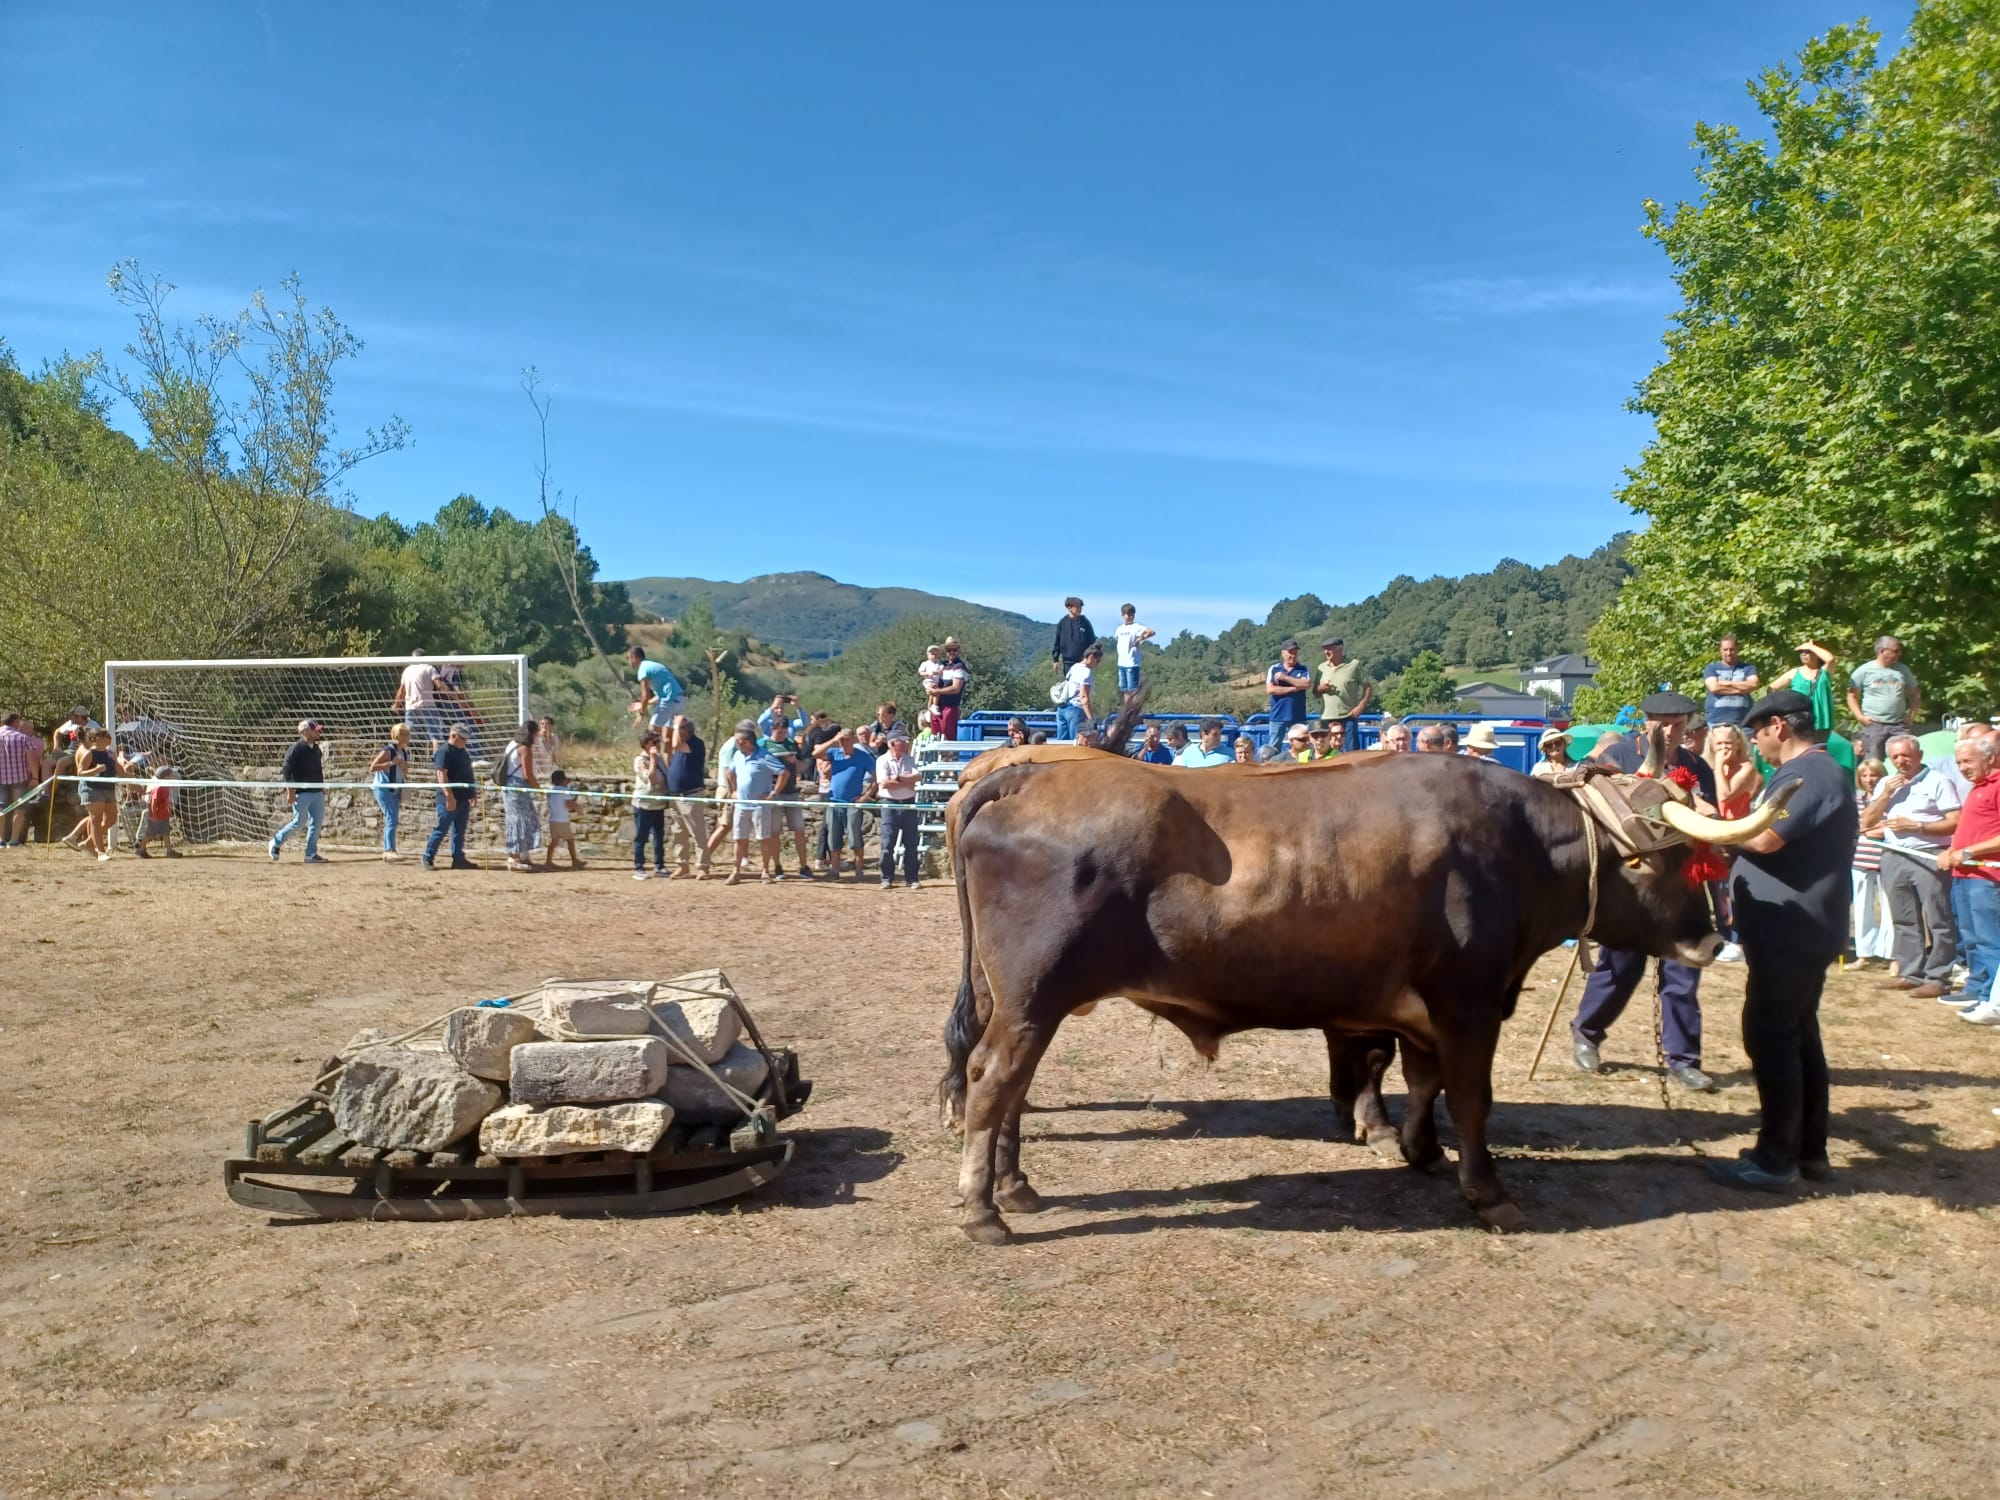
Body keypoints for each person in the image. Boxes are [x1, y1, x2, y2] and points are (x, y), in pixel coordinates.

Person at [1708, 689, 1858, 1190]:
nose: (1756, 742)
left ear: (1779, 726)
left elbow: (1766, 837)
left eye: (1757, 732)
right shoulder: (1806, 773)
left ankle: (1775, 1160)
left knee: (1771, 1035)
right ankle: (1808, 1152)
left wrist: (1711, 828)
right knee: (1799, 1037)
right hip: (1796, 928)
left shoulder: (1809, 775)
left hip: (1792, 930)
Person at [1574, 691, 1720, 1092]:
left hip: (1682, 884)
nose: (1668, 731)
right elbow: (1588, 798)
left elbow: (1708, 821)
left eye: (1676, 724)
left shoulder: (1696, 765)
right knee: (1621, 968)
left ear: (1689, 723)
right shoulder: (1619, 754)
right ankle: (1587, 1032)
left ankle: (1684, 1059)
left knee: (1684, 971)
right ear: (1646, 723)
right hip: (1635, 885)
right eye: (1659, 723)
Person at [1865, 732, 1963, 997]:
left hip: (1928, 853)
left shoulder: (1938, 781)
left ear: (1919, 755)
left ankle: (1938, 977)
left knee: (1938, 918)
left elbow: (1955, 820)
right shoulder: (1887, 782)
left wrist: (1917, 826)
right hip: (1893, 855)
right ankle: (1910, 972)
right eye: (1895, 756)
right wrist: (1885, 794)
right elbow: (1867, 821)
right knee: (1903, 917)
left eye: (1906, 755)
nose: (1900, 761)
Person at [1938, 734, 2000, 1025]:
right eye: (1959, 762)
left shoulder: (1998, 785)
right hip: (1963, 874)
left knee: (1989, 939)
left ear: (1989, 758)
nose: (1962, 767)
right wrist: (1951, 851)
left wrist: (1967, 851)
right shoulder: (1976, 789)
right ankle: (1976, 988)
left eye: (1968, 760)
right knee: (1971, 938)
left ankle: (1992, 997)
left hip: (1987, 876)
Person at [1705, 722, 1763, 962]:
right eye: (1719, 744)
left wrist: (1719, 766)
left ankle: (1737, 940)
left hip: (1736, 835)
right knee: (1716, 889)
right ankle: (1723, 934)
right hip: (1712, 833)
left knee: (1732, 889)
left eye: (1728, 743)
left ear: (1739, 743)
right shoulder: (1706, 766)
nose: (1724, 748)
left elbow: (1725, 794)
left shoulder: (1747, 768)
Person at [722, 719, 789, 885]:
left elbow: (784, 772)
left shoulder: (764, 755)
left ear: (748, 742)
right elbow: (729, 772)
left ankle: (765, 871)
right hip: (741, 805)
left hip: (760, 806)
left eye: (739, 741)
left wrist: (773, 793)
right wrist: (733, 792)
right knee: (739, 838)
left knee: (763, 838)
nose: (736, 744)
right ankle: (735, 871)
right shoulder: (737, 755)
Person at [1848, 758, 1895, 968]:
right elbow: (1855, 827)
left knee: (1891, 909)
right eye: (1865, 776)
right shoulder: (1855, 800)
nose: (1869, 780)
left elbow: (1890, 827)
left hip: (1887, 857)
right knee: (1862, 908)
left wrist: (1871, 829)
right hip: (1860, 859)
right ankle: (1864, 954)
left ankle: (1892, 955)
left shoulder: (1892, 798)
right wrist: (1869, 828)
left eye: (1873, 775)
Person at [760, 714, 817, 879]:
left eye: (784, 732)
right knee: (774, 832)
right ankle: (777, 866)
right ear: (772, 729)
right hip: (772, 792)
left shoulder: (791, 743)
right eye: (779, 732)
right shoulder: (763, 744)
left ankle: (804, 866)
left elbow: (802, 765)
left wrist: (796, 763)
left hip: (791, 791)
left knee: (799, 830)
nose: (782, 735)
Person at [1847, 636, 1921, 762]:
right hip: (1874, 725)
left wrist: (1910, 717)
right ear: (1882, 651)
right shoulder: (1864, 671)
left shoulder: (1903, 670)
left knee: (1905, 760)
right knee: (1873, 762)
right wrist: (1860, 717)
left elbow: (1915, 694)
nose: (1899, 654)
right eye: (1896, 651)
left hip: (1899, 726)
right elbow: (1852, 696)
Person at [817, 726, 876, 879]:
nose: (844, 743)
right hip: (834, 801)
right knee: (833, 836)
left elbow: (876, 776)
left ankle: (858, 870)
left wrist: (866, 795)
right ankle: (835, 869)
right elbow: (815, 753)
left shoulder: (863, 756)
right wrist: (834, 740)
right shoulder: (834, 753)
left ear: (854, 740)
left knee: (855, 836)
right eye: (842, 740)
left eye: (847, 739)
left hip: (852, 802)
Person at [269, 720, 329, 865]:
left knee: (316, 823)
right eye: (315, 730)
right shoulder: (296, 749)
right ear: (306, 732)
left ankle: (311, 854)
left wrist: (321, 789)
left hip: (317, 792)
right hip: (301, 793)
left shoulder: (316, 749)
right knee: (298, 822)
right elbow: (287, 771)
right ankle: (275, 842)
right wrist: (290, 791)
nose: (318, 732)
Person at [423, 724, 479, 871]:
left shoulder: (464, 753)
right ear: (453, 736)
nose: (465, 742)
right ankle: (428, 857)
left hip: (463, 798)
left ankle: (458, 858)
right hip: (448, 799)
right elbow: (441, 774)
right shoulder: (444, 751)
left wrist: (472, 793)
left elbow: (468, 774)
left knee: (459, 831)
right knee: (441, 828)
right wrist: (449, 796)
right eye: (463, 738)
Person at [661, 714, 707, 878]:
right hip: (676, 796)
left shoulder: (695, 744)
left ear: (687, 731)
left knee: (697, 832)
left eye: (679, 729)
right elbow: (668, 747)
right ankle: (682, 864)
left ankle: (703, 866)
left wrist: (678, 723)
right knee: (678, 832)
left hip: (691, 795)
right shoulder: (680, 747)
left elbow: (675, 743)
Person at [875, 728, 921, 889]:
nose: (906, 744)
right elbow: (885, 783)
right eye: (903, 741)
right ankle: (886, 877)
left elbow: (917, 777)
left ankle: (912, 878)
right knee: (888, 843)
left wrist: (898, 778)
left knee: (911, 843)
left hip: (908, 802)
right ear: (893, 743)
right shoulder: (882, 760)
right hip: (890, 803)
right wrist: (906, 781)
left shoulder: (909, 759)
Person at [496, 721, 542, 874]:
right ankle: (513, 857)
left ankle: (522, 854)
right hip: (517, 787)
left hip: (509, 786)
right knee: (518, 821)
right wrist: (539, 789)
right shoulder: (524, 749)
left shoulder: (512, 744)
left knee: (521, 819)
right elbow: (528, 774)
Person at [74, 729, 123, 861]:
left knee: (111, 819)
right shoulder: (90, 753)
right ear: (97, 738)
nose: (110, 738)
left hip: (108, 789)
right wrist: (96, 770)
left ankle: (89, 843)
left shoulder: (111, 754)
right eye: (106, 736)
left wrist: (137, 778)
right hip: (92, 789)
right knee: (96, 819)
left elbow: (121, 772)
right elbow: (80, 772)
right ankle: (100, 852)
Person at [367, 723, 411, 862]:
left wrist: (404, 767)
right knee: (391, 817)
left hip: (396, 788)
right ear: (397, 735)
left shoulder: (404, 752)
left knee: (393, 818)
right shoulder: (388, 750)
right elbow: (373, 767)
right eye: (404, 734)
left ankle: (391, 848)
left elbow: (405, 771)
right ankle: (388, 850)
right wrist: (391, 763)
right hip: (383, 787)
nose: (407, 737)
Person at [1770, 641, 1838, 731]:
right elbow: (1772, 688)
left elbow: (1830, 659)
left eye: (1807, 652)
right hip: (1800, 722)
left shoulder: (1824, 672)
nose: (1803, 654)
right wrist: (1780, 708)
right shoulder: (1794, 672)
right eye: (1801, 652)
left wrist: (1811, 647)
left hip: (1822, 724)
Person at [1314, 639, 1373, 743]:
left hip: (1348, 717)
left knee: (1350, 754)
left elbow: (1368, 686)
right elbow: (1315, 693)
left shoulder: (1354, 665)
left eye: (1330, 649)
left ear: (1340, 649)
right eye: (1325, 649)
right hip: (1327, 717)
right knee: (1328, 754)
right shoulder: (1321, 668)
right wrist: (1321, 688)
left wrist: (1361, 706)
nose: (1326, 652)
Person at [631, 729, 670, 880]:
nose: (657, 745)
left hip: (658, 804)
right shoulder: (639, 761)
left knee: (659, 837)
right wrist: (653, 758)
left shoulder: (660, 759)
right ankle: (638, 866)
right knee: (642, 836)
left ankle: (660, 865)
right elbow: (651, 779)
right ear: (646, 744)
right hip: (644, 805)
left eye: (658, 742)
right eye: (654, 742)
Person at [0, 711, 43, 847]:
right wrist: (35, 777)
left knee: (1, 810)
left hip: (1, 779)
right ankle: (13, 840)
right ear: (15, 722)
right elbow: (32, 759)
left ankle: (1, 840)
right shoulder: (22, 737)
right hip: (20, 778)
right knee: (20, 810)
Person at [1701, 635, 1761, 728]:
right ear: (1720, 650)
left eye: (1731, 649)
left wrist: (1725, 683)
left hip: (1743, 723)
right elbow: (1714, 687)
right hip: (1716, 722)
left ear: (1737, 649)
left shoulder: (1748, 668)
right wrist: (1742, 689)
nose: (1728, 653)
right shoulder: (1711, 668)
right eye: (1725, 649)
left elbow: (1754, 684)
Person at [390, 652, 443, 749]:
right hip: (428, 706)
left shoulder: (407, 670)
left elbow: (401, 690)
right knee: (435, 736)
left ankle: (404, 759)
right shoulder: (429, 668)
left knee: (406, 735)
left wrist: (396, 705)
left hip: (411, 707)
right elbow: (439, 685)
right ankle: (437, 761)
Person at [627, 645, 687, 730]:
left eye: (628, 658)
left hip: (670, 700)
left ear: (633, 657)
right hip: (679, 699)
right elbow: (660, 695)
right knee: (668, 735)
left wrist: (641, 715)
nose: (628, 661)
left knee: (652, 730)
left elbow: (645, 696)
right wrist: (643, 704)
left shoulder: (643, 669)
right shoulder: (651, 665)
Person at [1265, 639, 1312, 746]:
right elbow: (1270, 690)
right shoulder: (1274, 669)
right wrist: (1294, 688)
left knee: (1301, 746)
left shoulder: (1303, 669)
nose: (1293, 656)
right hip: (1278, 716)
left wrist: (1285, 678)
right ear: (1283, 653)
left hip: (1298, 716)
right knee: (1273, 746)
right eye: (1290, 652)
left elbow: (1306, 684)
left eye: (1295, 653)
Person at [134, 755, 180, 859]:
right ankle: (141, 849)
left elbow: (164, 800)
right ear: (166, 776)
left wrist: (168, 808)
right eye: (170, 774)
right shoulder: (159, 787)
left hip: (163, 814)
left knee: (166, 833)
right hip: (158, 815)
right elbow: (154, 801)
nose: (173, 775)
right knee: (150, 833)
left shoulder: (165, 787)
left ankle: (169, 851)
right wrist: (154, 814)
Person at [1056, 645, 1099, 742]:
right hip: (1076, 709)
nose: (1097, 665)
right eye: (1098, 661)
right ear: (1091, 658)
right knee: (1076, 744)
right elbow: (1084, 697)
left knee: (1061, 744)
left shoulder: (1074, 667)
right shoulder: (1086, 672)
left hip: (1062, 708)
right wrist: (1091, 718)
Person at [543, 769, 584, 869]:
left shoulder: (551, 791)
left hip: (553, 820)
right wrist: (577, 807)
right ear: (563, 780)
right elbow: (568, 804)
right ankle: (574, 860)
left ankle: (548, 861)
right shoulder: (564, 790)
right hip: (562, 820)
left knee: (554, 841)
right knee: (570, 840)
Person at [1114, 605, 1155, 702]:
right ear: (1123, 615)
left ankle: (1134, 709)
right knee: (1125, 689)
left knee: (1133, 689)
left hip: (1131, 662)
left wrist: (1140, 639)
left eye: (1131, 614)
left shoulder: (1136, 627)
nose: (1130, 616)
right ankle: (1128, 709)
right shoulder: (1119, 629)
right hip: (1121, 662)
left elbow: (1151, 632)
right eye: (1127, 614)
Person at [933, 638, 971, 740]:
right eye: (949, 650)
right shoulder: (943, 665)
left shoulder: (959, 666)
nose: (951, 652)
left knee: (948, 735)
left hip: (950, 706)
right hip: (937, 706)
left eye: (954, 650)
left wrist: (937, 691)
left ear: (958, 650)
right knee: (936, 735)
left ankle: (950, 755)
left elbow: (956, 688)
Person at [1052, 597, 1095, 673]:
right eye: (1077, 607)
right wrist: (1055, 660)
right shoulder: (1063, 623)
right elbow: (1057, 642)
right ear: (1069, 608)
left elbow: (1092, 641)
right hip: (1068, 663)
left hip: (1083, 662)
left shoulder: (1085, 622)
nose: (1080, 609)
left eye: (1080, 607)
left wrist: (1091, 658)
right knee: (1070, 684)